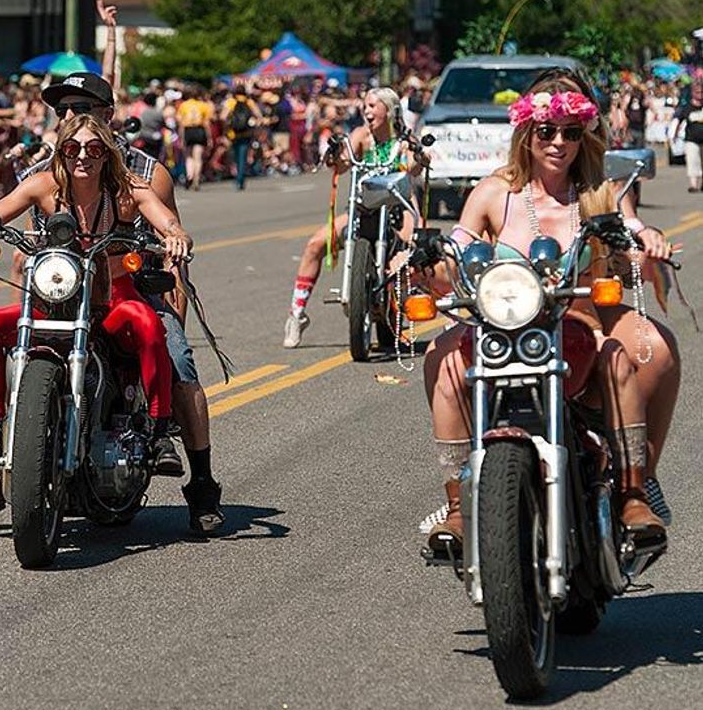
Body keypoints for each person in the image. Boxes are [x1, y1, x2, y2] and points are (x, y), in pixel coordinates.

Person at [408, 70, 675, 552]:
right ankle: (455, 507)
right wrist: (419, 257)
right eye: (546, 131)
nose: (558, 143)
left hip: (576, 322)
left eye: (570, 133)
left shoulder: (600, 190)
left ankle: (636, 489)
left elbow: (629, 226)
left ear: (583, 135)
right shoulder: (494, 191)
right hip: (503, 323)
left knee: (630, 352)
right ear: (526, 133)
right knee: (442, 358)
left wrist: (646, 238)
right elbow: (457, 244)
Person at [0, 114, 209, 519]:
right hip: (57, 295)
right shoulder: (45, 186)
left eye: (94, 149)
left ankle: (157, 426)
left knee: (150, 326)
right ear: (61, 151)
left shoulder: (129, 189)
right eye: (73, 148)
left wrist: (175, 234)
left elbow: (164, 217)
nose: (83, 156)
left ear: (107, 153)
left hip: (114, 299)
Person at [283, 87, 419, 348]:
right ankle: (297, 315)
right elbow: (344, 163)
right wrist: (336, 156)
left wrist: (417, 157)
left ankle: (402, 313)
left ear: (388, 111)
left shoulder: (403, 139)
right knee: (314, 245)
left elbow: (414, 165)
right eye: (365, 107)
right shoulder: (361, 136)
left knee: (413, 250)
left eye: (372, 106)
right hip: (362, 208)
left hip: (397, 208)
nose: (367, 112)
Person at [221, 85, 262, 190]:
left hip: (233, 133)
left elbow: (222, 116)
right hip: (246, 132)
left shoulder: (231, 101)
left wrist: (228, 125)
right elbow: (258, 115)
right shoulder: (249, 101)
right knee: (243, 156)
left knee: (236, 155)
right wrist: (254, 124)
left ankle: (238, 178)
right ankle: (241, 179)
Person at [177, 85, 212, 191]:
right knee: (198, 157)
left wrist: (181, 138)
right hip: (199, 130)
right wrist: (209, 138)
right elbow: (206, 123)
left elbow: (181, 123)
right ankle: (196, 180)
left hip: (188, 130)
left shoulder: (183, 105)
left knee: (188, 157)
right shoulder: (203, 105)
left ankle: (189, 176)